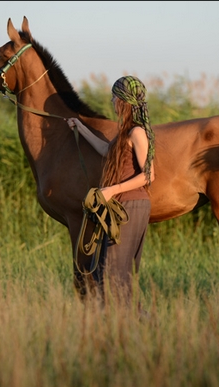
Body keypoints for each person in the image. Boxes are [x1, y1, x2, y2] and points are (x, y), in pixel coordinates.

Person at [67, 76, 155, 307]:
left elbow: (148, 174)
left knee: (113, 272)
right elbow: (106, 150)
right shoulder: (124, 132)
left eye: (114, 96)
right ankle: (132, 324)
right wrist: (82, 128)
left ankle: (129, 324)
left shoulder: (137, 132)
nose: (111, 101)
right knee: (110, 271)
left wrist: (112, 189)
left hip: (132, 205)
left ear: (123, 101)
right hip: (119, 205)